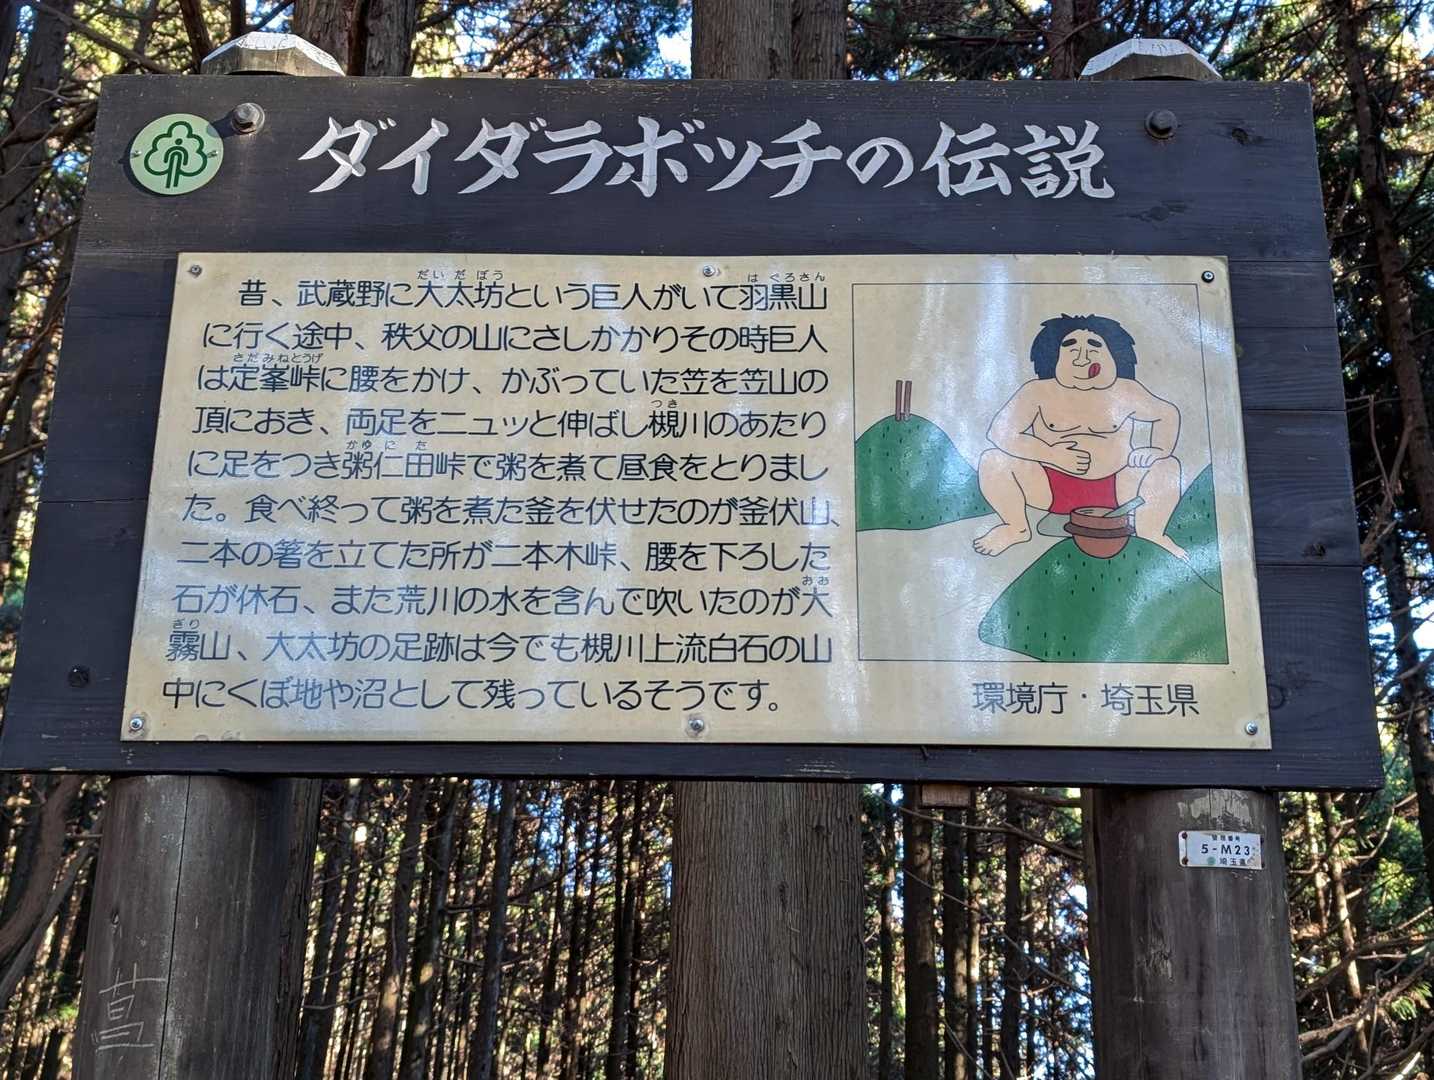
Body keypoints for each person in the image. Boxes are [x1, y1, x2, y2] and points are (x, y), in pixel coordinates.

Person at [971, 313, 1186, 559]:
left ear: (1115, 355)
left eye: (1094, 348)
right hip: (1050, 485)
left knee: (1167, 465)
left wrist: (1157, 449)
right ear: (1053, 356)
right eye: (1071, 350)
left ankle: (1151, 533)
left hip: (1117, 488)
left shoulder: (1127, 391)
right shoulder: (1037, 391)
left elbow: (1167, 414)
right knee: (992, 460)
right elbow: (1000, 432)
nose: (1082, 358)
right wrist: (1050, 454)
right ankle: (1015, 527)